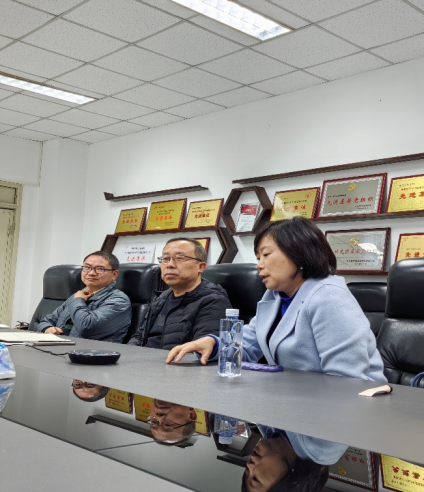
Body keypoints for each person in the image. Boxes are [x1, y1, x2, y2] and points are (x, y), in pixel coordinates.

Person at [166, 217, 387, 383]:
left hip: (343, 411)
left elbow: (345, 380)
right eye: (257, 257)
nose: (259, 265)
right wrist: (214, 343)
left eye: (266, 255)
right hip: (291, 401)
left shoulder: (329, 296)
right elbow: (248, 346)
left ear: (299, 253)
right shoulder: (275, 295)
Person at [129, 238, 231, 349]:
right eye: (165, 259)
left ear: (201, 267)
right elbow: (139, 336)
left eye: (179, 258)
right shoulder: (161, 298)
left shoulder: (213, 301)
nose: (170, 265)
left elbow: (201, 350)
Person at [36, 251, 131, 343]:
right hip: (61, 347)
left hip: (92, 352)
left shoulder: (119, 301)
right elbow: (46, 320)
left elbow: (87, 328)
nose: (91, 273)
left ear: (114, 274)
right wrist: (47, 328)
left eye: (100, 269)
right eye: (87, 267)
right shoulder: (78, 295)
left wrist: (78, 300)